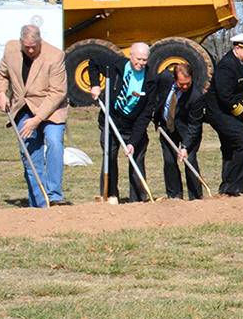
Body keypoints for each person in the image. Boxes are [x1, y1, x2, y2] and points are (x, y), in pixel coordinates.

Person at [0, 24, 67, 207]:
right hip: (24, 108)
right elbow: (1, 75)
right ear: (20, 42)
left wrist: (37, 120)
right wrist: (1, 92)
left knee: (53, 143)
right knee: (29, 152)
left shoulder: (55, 56)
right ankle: (39, 201)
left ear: (40, 41)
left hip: (51, 110)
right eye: (26, 46)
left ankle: (55, 196)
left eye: (34, 46)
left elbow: (58, 93)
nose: (30, 50)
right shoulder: (11, 49)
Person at [88, 42, 155, 203]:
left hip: (133, 124)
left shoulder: (150, 80)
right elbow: (93, 63)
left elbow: (145, 115)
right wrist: (95, 85)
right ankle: (111, 195)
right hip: (110, 119)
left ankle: (137, 199)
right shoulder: (115, 64)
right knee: (109, 157)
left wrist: (132, 142)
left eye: (144, 60)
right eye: (138, 59)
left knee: (137, 158)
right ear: (130, 56)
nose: (141, 63)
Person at [130, 63, 206, 200]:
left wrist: (185, 147)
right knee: (169, 161)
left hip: (187, 131)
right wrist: (152, 105)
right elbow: (152, 85)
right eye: (181, 84)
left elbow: (194, 124)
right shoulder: (164, 78)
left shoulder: (196, 96)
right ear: (174, 78)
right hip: (167, 127)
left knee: (190, 160)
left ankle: (196, 198)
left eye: (187, 84)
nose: (184, 87)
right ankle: (174, 197)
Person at [202, 32, 243, 196]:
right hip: (220, 113)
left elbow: (242, 83)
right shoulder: (226, 66)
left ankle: (227, 190)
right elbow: (225, 97)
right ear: (238, 48)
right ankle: (234, 188)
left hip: (231, 112)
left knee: (231, 149)